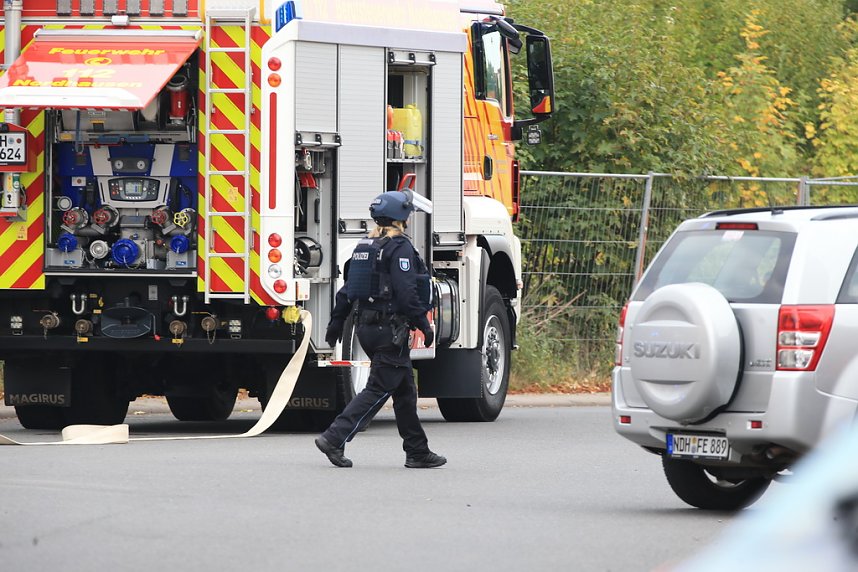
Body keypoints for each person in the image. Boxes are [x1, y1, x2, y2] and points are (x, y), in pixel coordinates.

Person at [315, 189, 446, 469]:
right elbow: (407, 291)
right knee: (377, 389)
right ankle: (334, 437)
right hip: (390, 330)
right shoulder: (400, 248)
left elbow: (347, 291)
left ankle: (417, 450)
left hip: (367, 328)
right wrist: (424, 323)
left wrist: (336, 323)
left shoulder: (365, 248)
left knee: (404, 391)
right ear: (401, 217)